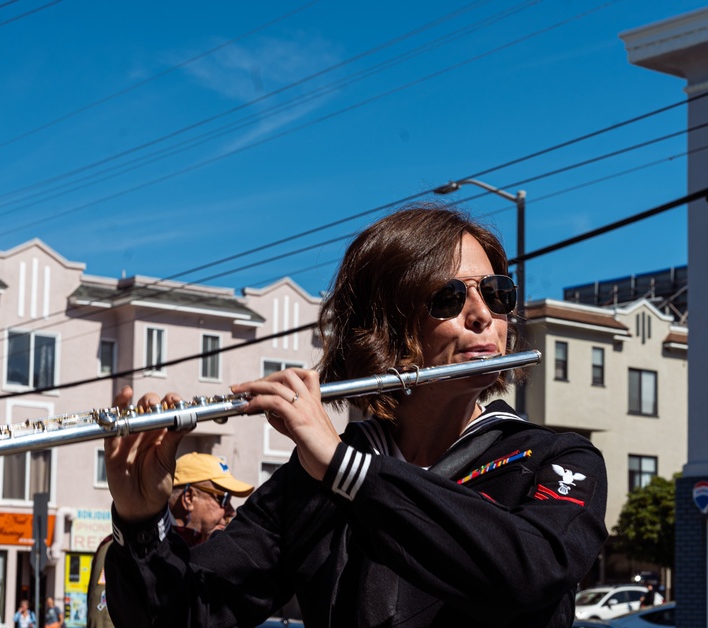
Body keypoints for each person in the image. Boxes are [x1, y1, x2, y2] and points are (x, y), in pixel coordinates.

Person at [104, 204, 609, 627]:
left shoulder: (555, 459)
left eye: (496, 294)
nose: (482, 315)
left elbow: (531, 572)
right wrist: (142, 524)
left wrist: (346, 470)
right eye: (449, 297)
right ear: (384, 328)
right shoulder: (311, 482)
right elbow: (193, 613)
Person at [86, 453, 254, 627]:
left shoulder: (203, 551)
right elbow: (104, 622)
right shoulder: (125, 549)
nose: (231, 511)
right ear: (189, 497)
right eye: (223, 499)